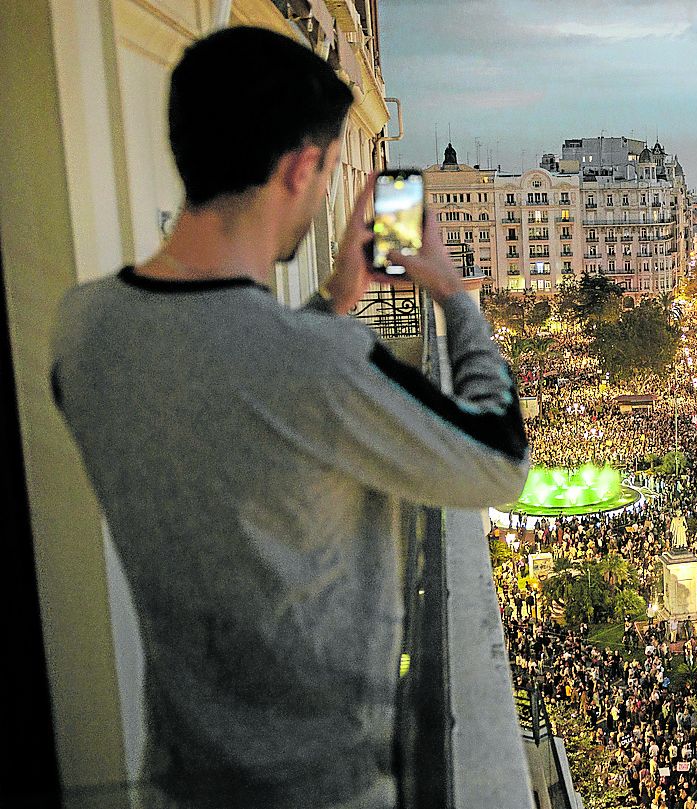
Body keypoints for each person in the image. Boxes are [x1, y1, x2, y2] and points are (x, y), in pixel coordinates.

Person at [49, 27, 529, 809]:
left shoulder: (82, 328)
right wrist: (452, 295)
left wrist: (333, 299)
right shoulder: (317, 363)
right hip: (323, 786)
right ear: (300, 165)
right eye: (331, 169)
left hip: (176, 779)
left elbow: (233, 398)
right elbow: (499, 459)